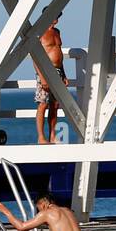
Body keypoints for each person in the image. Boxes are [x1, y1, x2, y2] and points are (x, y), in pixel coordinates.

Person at [34, 12, 66, 144]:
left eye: (58, 16)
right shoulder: (39, 33)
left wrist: (64, 74)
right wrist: (42, 78)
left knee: (55, 104)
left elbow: (59, 54)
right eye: (54, 15)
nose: (56, 19)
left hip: (58, 71)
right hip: (45, 71)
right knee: (43, 104)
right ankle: (41, 137)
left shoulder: (57, 31)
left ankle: (53, 136)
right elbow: (35, 58)